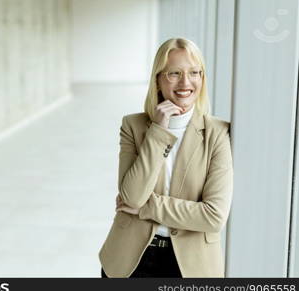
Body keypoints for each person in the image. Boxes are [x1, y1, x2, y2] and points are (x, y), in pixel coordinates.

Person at [98, 37, 233, 278]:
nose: (186, 82)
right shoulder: (134, 126)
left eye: (194, 72)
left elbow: (213, 216)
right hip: (130, 259)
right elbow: (132, 195)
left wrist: (145, 207)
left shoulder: (218, 133)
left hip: (191, 266)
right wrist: (158, 132)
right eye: (174, 73)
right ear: (158, 79)